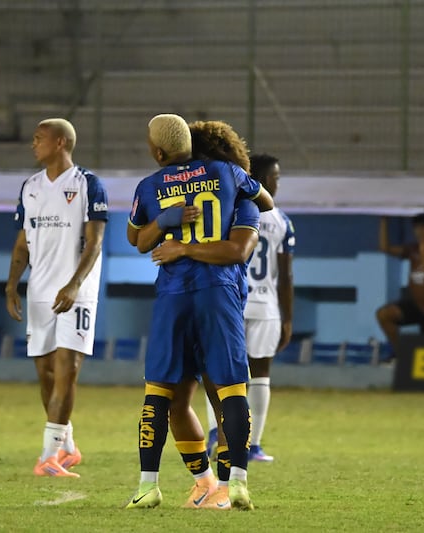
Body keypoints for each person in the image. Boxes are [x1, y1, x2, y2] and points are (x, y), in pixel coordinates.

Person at [125, 114, 272, 511]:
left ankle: (191, 484)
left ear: (158, 151)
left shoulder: (152, 186)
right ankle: (213, 483)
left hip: (185, 293)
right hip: (212, 298)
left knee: (167, 390)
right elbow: (265, 202)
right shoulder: (231, 181)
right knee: (218, 391)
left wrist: (177, 240)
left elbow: (137, 239)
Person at [5, 118, 108, 477]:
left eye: (39, 138)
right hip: (40, 289)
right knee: (46, 373)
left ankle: (47, 457)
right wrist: (12, 283)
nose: (34, 144)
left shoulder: (88, 185)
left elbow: (95, 242)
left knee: (68, 369)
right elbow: (22, 242)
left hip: (76, 292)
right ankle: (66, 446)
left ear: (61, 142)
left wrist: (75, 284)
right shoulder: (30, 187)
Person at [208, 153, 295, 463]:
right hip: (266, 306)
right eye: (275, 177)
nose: (278, 183)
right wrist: (288, 319)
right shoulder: (281, 220)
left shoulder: (230, 211)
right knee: (260, 374)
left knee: (220, 371)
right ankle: (254, 444)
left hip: (231, 299)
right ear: (261, 179)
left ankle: (217, 434)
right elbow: (285, 275)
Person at [376, 213, 424, 361]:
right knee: (384, 315)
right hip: (416, 306)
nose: (420, 232)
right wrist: (384, 219)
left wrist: (423, 252)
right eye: (417, 228)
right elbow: (384, 247)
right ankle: (401, 354)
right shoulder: (411, 249)